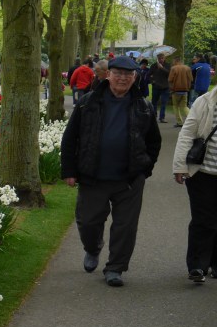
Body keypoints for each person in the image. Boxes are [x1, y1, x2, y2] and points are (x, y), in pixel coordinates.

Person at [60, 54, 162, 287]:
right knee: (88, 222)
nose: (122, 78)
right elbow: (70, 138)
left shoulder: (143, 106)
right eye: (118, 74)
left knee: (126, 226)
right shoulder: (88, 103)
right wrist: (69, 170)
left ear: (134, 77)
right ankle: (93, 248)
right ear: (108, 75)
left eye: (128, 74)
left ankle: (115, 267)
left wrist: (144, 169)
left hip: (129, 180)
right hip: (93, 176)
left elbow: (154, 142)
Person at [173, 81, 217, 283]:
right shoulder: (204, 102)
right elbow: (187, 133)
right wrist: (179, 166)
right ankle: (197, 265)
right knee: (203, 219)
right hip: (203, 173)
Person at [168, 57, 192, 126]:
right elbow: (191, 79)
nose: (173, 63)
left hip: (176, 90)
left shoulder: (173, 68)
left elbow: (170, 79)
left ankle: (179, 122)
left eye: (173, 61)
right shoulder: (187, 68)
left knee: (176, 106)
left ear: (176, 61)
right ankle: (192, 119)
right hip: (185, 90)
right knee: (184, 106)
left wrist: (171, 88)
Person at [150, 53, 170, 122]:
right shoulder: (153, 66)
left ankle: (162, 117)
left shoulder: (168, 65)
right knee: (154, 102)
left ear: (164, 58)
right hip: (156, 86)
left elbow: (169, 74)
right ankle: (154, 116)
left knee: (164, 103)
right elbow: (149, 75)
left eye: (162, 58)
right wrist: (152, 81)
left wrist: (162, 68)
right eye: (159, 58)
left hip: (165, 87)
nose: (161, 60)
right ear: (157, 59)